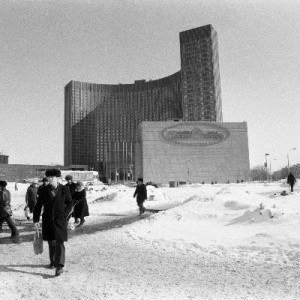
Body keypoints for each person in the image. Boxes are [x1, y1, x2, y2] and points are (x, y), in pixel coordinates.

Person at [33, 169, 73, 277]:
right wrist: (36, 220)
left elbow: (70, 203)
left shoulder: (65, 189)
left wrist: (64, 214)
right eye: (49, 177)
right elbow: (38, 205)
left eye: (52, 177)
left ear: (58, 178)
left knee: (59, 242)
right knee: (51, 242)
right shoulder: (43, 190)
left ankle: (59, 266)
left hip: (60, 220)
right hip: (48, 220)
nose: (50, 179)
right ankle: (53, 261)